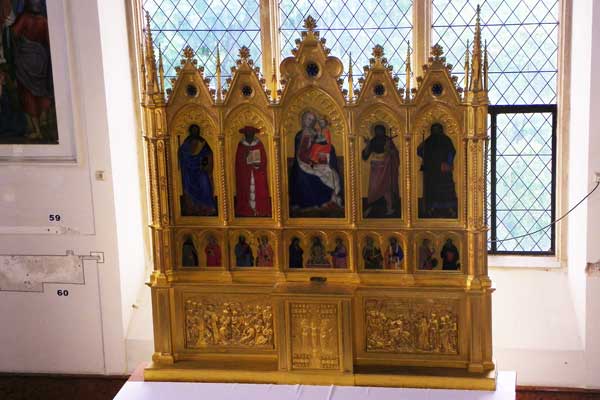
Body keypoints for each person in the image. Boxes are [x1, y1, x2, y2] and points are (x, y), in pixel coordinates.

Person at [11, 0, 53, 140]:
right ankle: (44, 119)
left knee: (28, 93)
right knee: (41, 90)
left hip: (26, 61)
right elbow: (48, 41)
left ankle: (37, 131)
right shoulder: (43, 21)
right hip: (41, 61)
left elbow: (14, 34)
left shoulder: (25, 18)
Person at [289, 111, 343, 215]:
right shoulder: (300, 135)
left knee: (330, 174)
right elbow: (300, 152)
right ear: (303, 120)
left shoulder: (317, 132)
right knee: (301, 176)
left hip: (316, 161)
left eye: (312, 120)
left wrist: (322, 151)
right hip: (301, 163)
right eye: (308, 119)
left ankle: (328, 200)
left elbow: (325, 146)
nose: (310, 122)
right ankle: (308, 203)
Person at [417, 123, 458, 218]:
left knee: (445, 190)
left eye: (437, 129)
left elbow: (451, 152)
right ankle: (431, 208)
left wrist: (448, 162)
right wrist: (421, 147)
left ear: (441, 130)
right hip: (432, 170)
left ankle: (450, 209)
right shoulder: (428, 140)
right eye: (434, 129)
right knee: (432, 189)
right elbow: (420, 152)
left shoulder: (446, 140)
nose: (435, 131)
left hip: (443, 170)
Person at [178, 124, 217, 216]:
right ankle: (192, 208)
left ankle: (206, 207)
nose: (195, 132)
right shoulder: (187, 142)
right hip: (189, 170)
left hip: (200, 169)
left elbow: (208, 154)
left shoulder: (202, 142)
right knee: (187, 181)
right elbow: (183, 155)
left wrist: (204, 163)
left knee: (204, 180)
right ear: (190, 131)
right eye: (193, 130)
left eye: (197, 130)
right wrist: (182, 153)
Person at [362, 124, 400, 217]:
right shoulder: (373, 141)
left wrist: (390, 151)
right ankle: (371, 207)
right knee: (374, 187)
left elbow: (394, 153)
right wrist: (367, 145)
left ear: (384, 131)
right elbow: (365, 156)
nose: (378, 132)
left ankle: (389, 208)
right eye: (377, 130)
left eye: (380, 130)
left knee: (387, 187)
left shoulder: (388, 140)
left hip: (386, 167)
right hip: (375, 167)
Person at [235, 126, 271, 217]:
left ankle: (261, 210)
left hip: (257, 172)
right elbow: (238, 161)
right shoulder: (241, 145)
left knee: (260, 189)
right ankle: (246, 210)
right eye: (248, 133)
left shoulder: (259, 144)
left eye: (251, 133)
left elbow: (263, 159)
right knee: (245, 189)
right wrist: (245, 157)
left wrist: (258, 165)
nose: (249, 134)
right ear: (245, 134)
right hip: (245, 173)